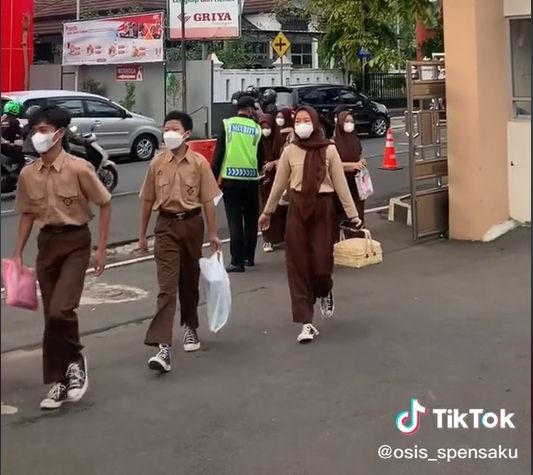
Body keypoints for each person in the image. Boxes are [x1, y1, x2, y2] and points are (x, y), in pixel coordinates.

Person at [13, 105, 111, 409]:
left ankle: (76, 359)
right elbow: (27, 215)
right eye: (34, 130)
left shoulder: (80, 168)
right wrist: (17, 254)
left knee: (61, 310)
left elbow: (105, 204)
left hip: (76, 243)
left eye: (43, 130)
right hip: (47, 244)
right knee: (50, 317)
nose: (37, 136)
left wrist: (102, 249)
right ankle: (58, 380)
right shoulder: (29, 174)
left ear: (59, 133)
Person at [259, 106, 362, 343]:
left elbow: (340, 184)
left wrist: (353, 215)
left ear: (315, 123)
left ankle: (325, 289)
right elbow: (279, 184)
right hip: (297, 209)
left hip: (323, 209)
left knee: (321, 264)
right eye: (298, 121)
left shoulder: (329, 150)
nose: (302, 124)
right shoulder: (290, 151)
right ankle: (306, 322)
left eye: (307, 120)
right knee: (297, 266)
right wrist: (268, 212)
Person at [139, 110, 221, 373]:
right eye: (166, 128)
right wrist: (142, 234)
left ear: (186, 133)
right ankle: (163, 347)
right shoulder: (157, 163)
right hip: (165, 226)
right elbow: (148, 199)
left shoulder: (199, 163)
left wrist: (213, 234)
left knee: (188, 280)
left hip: (192, 224)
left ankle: (190, 327)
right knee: (166, 287)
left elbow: (208, 199)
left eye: (174, 129)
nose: (168, 133)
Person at [212, 95, 263, 272]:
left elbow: (218, 154)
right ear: (249, 109)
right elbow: (260, 157)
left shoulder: (227, 124)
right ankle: (249, 257)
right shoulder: (257, 129)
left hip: (230, 180)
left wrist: (213, 178)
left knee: (234, 221)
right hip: (251, 180)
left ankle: (237, 261)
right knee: (250, 221)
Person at [333, 110, 367, 236]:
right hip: (341, 183)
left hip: (356, 182)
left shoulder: (355, 140)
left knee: (358, 209)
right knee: (343, 211)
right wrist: (353, 166)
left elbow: (358, 156)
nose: (349, 124)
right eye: (346, 121)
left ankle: (358, 237)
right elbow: (333, 166)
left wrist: (361, 162)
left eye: (352, 121)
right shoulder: (333, 143)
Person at [258, 114, 287, 253]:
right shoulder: (257, 141)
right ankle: (268, 239)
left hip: (279, 178)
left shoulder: (280, 141)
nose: (265, 130)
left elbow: (285, 158)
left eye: (268, 127)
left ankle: (282, 237)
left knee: (281, 209)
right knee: (266, 209)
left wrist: (274, 163)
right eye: (263, 127)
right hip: (264, 181)